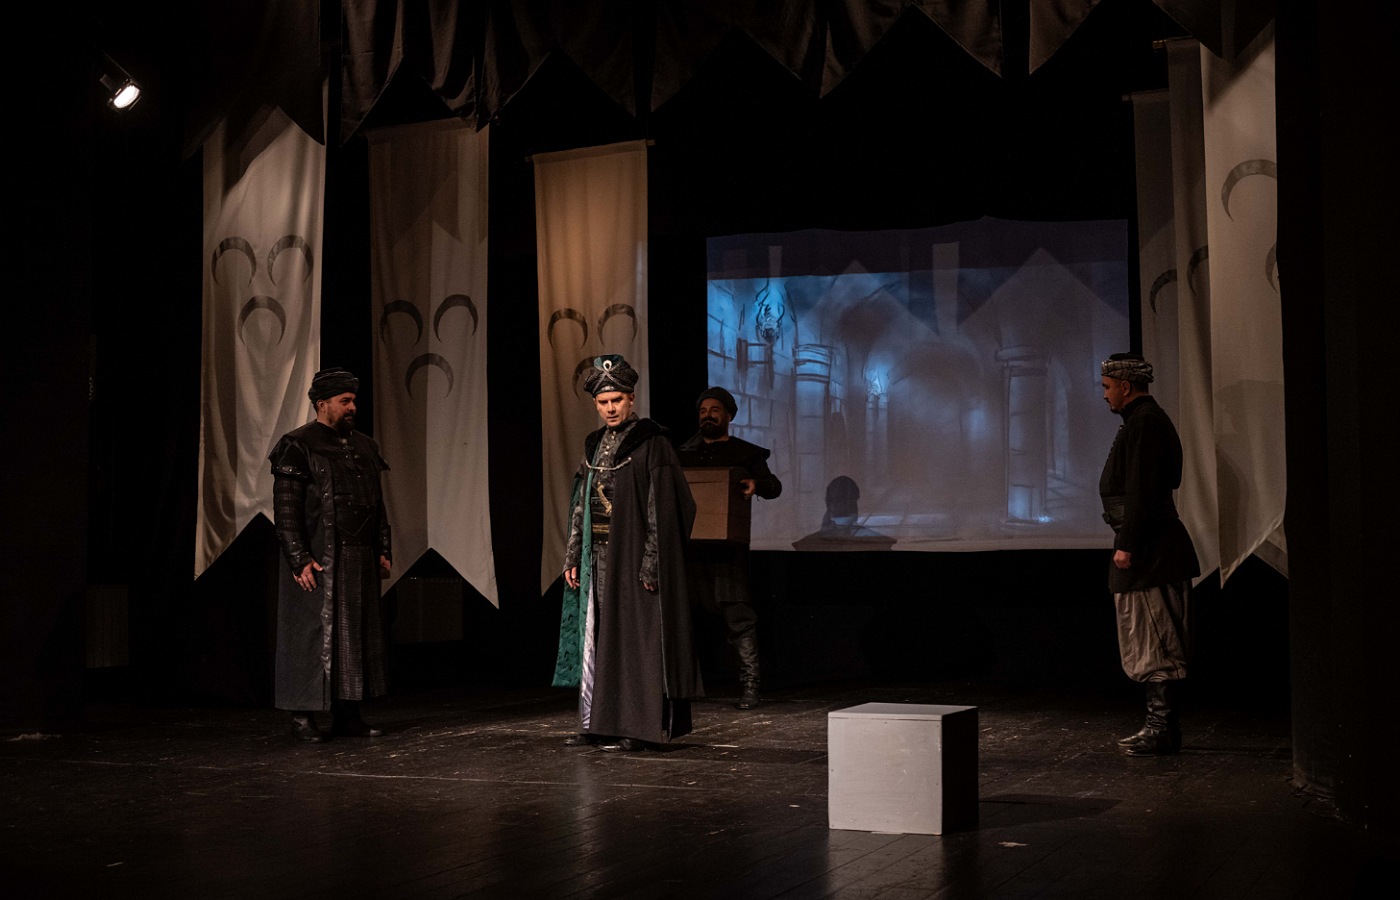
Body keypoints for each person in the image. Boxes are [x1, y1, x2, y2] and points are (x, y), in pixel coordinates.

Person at [554, 355, 702, 752]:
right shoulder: (593, 444)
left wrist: (652, 561)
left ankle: (638, 727)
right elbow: (581, 504)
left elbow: (663, 507)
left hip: (634, 557)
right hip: (598, 557)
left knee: (636, 641)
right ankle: (596, 723)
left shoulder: (652, 443)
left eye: (617, 400)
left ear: (631, 399)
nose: (611, 408)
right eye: (603, 402)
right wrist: (573, 556)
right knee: (598, 639)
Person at [268, 368, 392, 742]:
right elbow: (286, 509)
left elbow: (377, 503)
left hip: (358, 557)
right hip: (319, 559)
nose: (352, 407)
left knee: (353, 638)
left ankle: (348, 715)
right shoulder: (298, 444)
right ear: (322, 404)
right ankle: (302, 718)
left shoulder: (365, 446)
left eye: (353, 400)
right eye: (344, 401)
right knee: (310, 637)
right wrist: (298, 557)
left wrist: (382, 549)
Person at [1099, 352, 1200, 756]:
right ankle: (1159, 726)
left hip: (1152, 549)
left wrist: (1128, 543)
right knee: (1145, 634)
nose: (1105, 395)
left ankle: (1162, 728)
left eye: (1108, 387)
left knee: (1155, 635)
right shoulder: (1142, 422)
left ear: (1125, 387)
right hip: (1149, 544)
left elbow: (1144, 488)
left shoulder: (1146, 423)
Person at [675, 387, 782, 708]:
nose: (707, 416)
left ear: (729, 415)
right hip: (690, 552)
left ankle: (750, 686)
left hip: (727, 555)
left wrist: (755, 484)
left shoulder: (745, 454)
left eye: (714, 410)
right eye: (702, 411)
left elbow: (773, 486)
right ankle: (680, 687)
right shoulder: (683, 453)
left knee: (739, 619)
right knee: (682, 619)